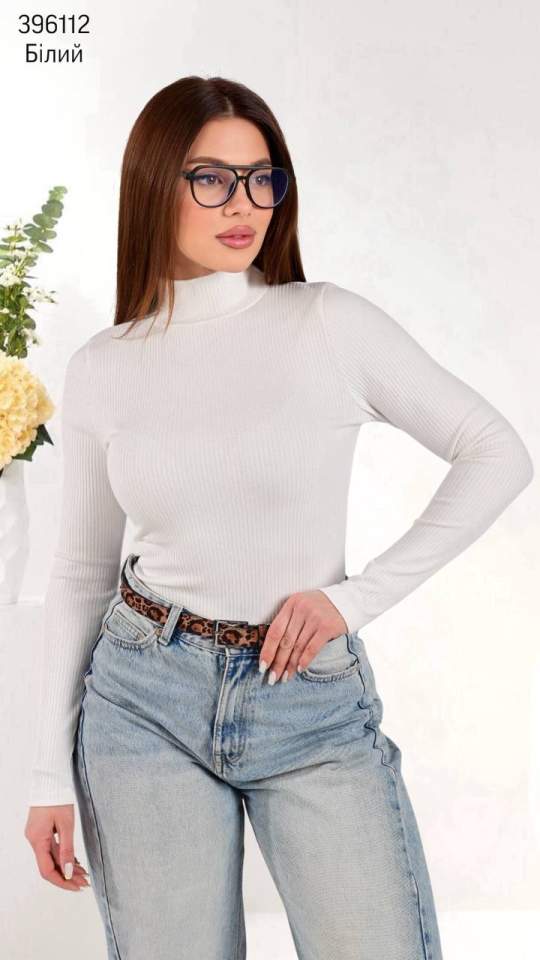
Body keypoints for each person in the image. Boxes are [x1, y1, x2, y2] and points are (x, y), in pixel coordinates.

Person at [24, 75, 533, 960]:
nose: (243, 203)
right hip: (142, 702)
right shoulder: (105, 366)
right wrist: (45, 776)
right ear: (153, 184)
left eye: (262, 179)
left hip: (309, 701)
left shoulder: (327, 323)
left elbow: (497, 452)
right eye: (210, 178)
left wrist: (353, 601)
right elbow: (80, 574)